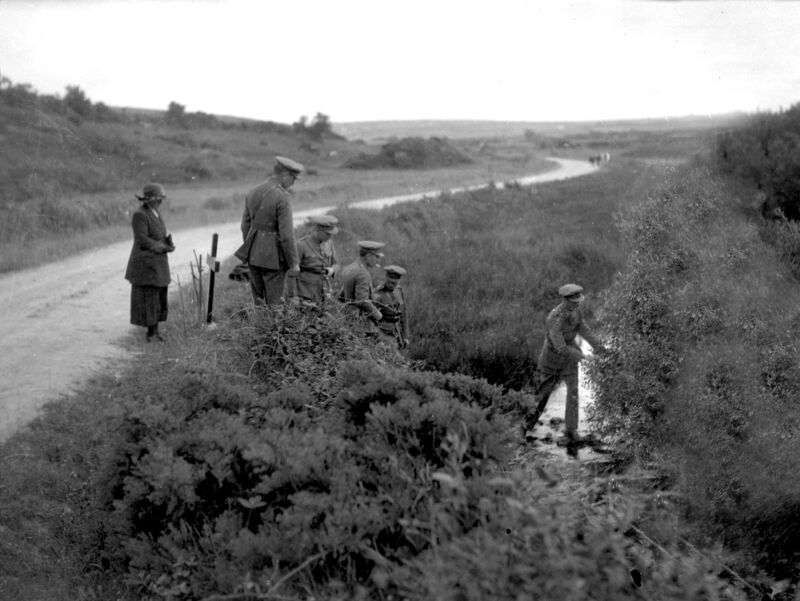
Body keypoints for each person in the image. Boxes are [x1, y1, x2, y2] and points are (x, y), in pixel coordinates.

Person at [525, 284, 605, 444]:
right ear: (565, 300)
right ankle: (524, 428)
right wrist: (584, 357)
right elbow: (560, 347)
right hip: (551, 361)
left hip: (569, 362)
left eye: (579, 300)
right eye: (574, 301)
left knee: (573, 393)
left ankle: (571, 431)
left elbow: (585, 330)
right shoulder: (554, 318)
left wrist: (601, 348)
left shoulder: (576, 312)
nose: (577, 303)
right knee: (542, 396)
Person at [234, 156, 303, 305]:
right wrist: (294, 263)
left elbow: (244, 226)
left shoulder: (253, 192)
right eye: (293, 179)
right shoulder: (283, 197)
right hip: (274, 258)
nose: (293, 183)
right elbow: (286, 235)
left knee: (259, 302)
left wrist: (252, 249)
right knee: (275, 304)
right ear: (285, 175)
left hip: (253, 255)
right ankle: (271, 329)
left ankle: (259, 328)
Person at [124, 183, 175, 342]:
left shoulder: (155, 212)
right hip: (145, 262)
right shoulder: (140, 214)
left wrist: (168, 244)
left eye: (161, 199)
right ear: (148, 200)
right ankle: (151, 333)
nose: (160, 202)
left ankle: (155, 331)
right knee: (149, 298)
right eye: (157, 199)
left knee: (158, 296)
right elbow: (142, 238)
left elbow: (158, 234)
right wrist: (161, 247)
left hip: (157, 261)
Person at [286, 214, 340, 303]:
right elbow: (292, 273)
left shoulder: (329, 243)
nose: (330, 236)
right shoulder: (301, 245)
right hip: (306, 292)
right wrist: (292, 296)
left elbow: (336, 264)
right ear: (318, 230)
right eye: (327, 234)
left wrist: (331, 270)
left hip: (325, 291)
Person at [338, 240, 385, 334]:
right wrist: (377, 315)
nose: (378, 260)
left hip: (348, 320)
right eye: (376, 257)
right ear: (368, 256)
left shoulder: (349, 268)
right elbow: (362, 301)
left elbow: (341, 296)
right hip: (360, 325)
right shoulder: (363, 273)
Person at [373, 265, 410, 348]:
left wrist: (406, 336)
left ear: (399, 281)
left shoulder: (398, 291)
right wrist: (379, 339)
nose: (390, 285)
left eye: (394, 283)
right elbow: (372, 320)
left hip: (398, 333)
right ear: (386, 278)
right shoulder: (377, 293)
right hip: (383, 335)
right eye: (388, 281)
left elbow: (404, 314)